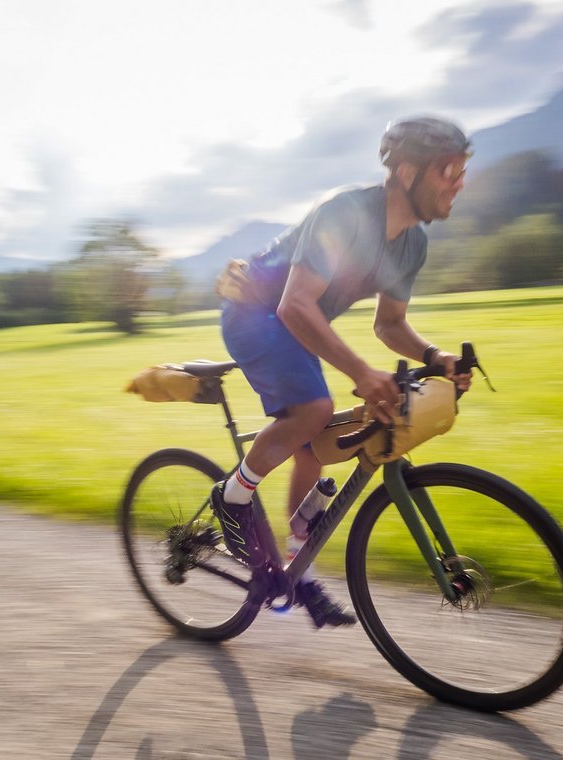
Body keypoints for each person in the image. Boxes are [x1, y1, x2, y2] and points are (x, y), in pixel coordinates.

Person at [211, 116, 475, 628]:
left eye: (463, 172)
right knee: (315, 409)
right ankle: (232, 495)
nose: (459, 183)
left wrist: (435, 358)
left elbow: (390, 324)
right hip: (254, 313)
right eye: (448, 170)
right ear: (405, 172)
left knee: (315, 443)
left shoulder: (412, 243)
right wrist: (360, 372)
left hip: (296, 320)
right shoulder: (347, 213)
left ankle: (294, 570)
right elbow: (293, 306)